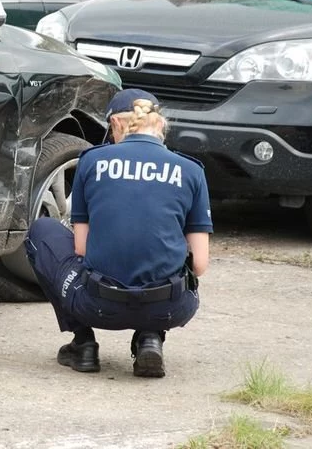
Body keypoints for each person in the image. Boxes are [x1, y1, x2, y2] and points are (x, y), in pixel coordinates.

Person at [25, 88, 212, 377]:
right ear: (161, 124)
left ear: (114, 125)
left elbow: (82, 248)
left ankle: (83, 343)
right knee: (164, 260)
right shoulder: (191, 170)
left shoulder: (92, 160)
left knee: (41, 231)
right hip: (171, 308)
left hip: (97, 305)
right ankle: (151, 337)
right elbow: (199, 265)